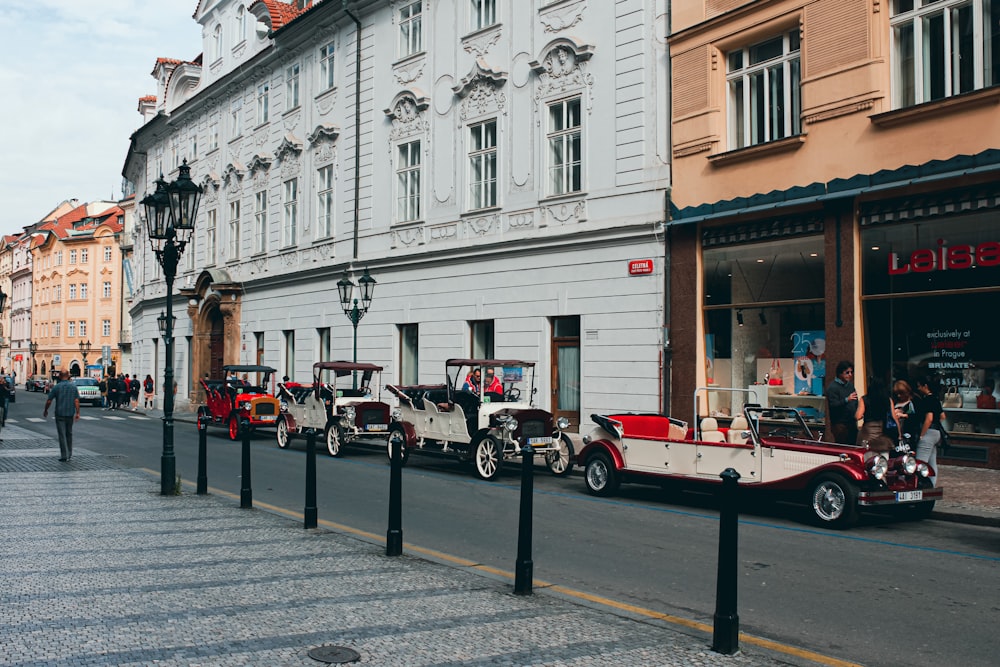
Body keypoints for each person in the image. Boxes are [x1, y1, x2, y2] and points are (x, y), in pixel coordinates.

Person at [913, 376, 945, 486]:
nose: (918, 389)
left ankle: (919, 485)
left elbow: (929, 418)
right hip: (936, 432)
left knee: (920, 462)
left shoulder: (927, 400)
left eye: (919, 386)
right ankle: (932, 484)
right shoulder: (936, 399)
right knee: (932, 462)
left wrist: (922, 435)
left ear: (925, 386)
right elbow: (943, 416)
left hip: (929, 432)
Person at [43, 370, 80, 462]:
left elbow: (49, 400)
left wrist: (46, 410)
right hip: (70, 413)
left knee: (62, 434)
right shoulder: (73, 387)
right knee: (69, 433)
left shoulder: (57, 387)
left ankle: (64, 455)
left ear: (59, 376)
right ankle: (70, 453)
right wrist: (77, 413)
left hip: (60, 413)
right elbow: (76, 401)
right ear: (68, 376)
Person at [856, 374, 894, 453]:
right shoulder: (888, 399)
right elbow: (893, 417)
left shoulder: (865, 399)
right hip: (882, 430)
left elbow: (858, 416)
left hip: (868, 431)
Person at [825, 360, 859, 445]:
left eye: (851, 372)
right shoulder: (833, 387)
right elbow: (833, 405)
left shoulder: (850, 385)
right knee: (842, 446)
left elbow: (855, 400)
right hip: (840, 424)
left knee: (852, 445)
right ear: (840, 373)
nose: (850, 375)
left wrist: (858, 411)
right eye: (847, 372)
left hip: (852, 423)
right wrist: (846, 400)